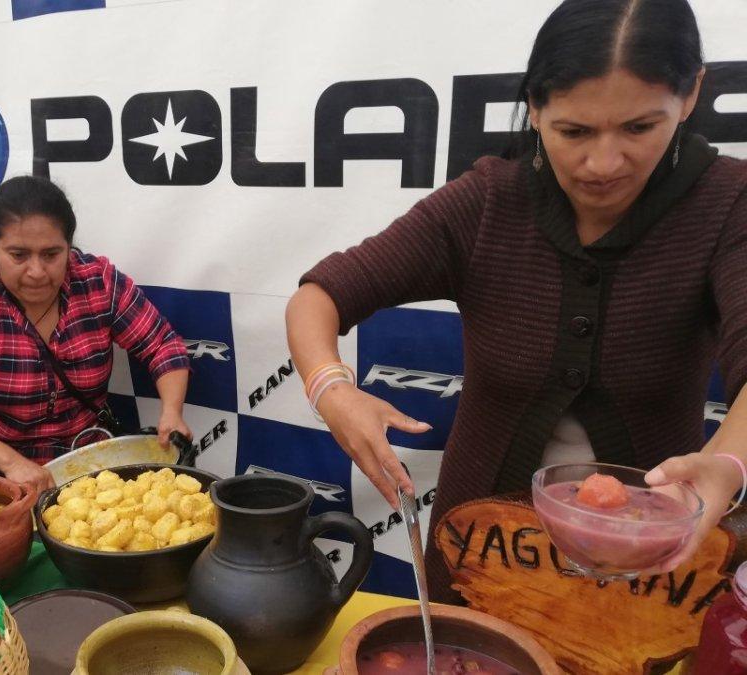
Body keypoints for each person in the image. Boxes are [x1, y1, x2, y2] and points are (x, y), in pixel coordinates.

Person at [286, 0, 747, 602]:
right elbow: (320, 294)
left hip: (645, 569)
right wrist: (332, 389)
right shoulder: (488, 203)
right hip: (478, 555)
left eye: (640, 128)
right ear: (534, 106)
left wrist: (726, 467)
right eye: (573, 131)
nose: (603, 164)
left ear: (691, 97)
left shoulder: (726, 204)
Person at [0, 175, 192, 494]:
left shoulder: (98, 283)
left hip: (91, 474)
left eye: (51, 254)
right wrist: (11, 463)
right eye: (18, 255)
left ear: (68, 247)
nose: (36, 272)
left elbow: (163, 346)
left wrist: (172, 411)